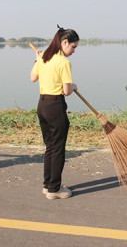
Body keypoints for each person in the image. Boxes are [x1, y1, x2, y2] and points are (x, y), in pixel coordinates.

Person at [30, 25, 79, 200]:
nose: (73, 51)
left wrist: (37, 60)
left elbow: (32, 78)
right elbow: (66, 91)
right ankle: (54, 189)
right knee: (58, 148)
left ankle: (48, 185)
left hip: (42, 105)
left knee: (50, 147)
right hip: (55, 106)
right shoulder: (64, 63)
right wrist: (73, 86)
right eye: (73, 47)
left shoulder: (43, 57)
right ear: (64, 42)